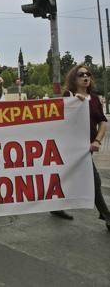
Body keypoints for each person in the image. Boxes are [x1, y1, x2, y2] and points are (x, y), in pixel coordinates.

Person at [51, 65, 110, 231]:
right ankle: (107, 216)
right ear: (73, 79)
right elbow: (58, 117)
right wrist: (73, 103)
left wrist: (97, 140)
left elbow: (102, 122)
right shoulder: (68, 96)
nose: (85, 77)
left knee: (65, 176)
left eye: (88, 74)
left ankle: (55, 206)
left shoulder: (95, 99)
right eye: (81, 74)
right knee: (95, 180)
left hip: (87, 147)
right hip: (70, 147)